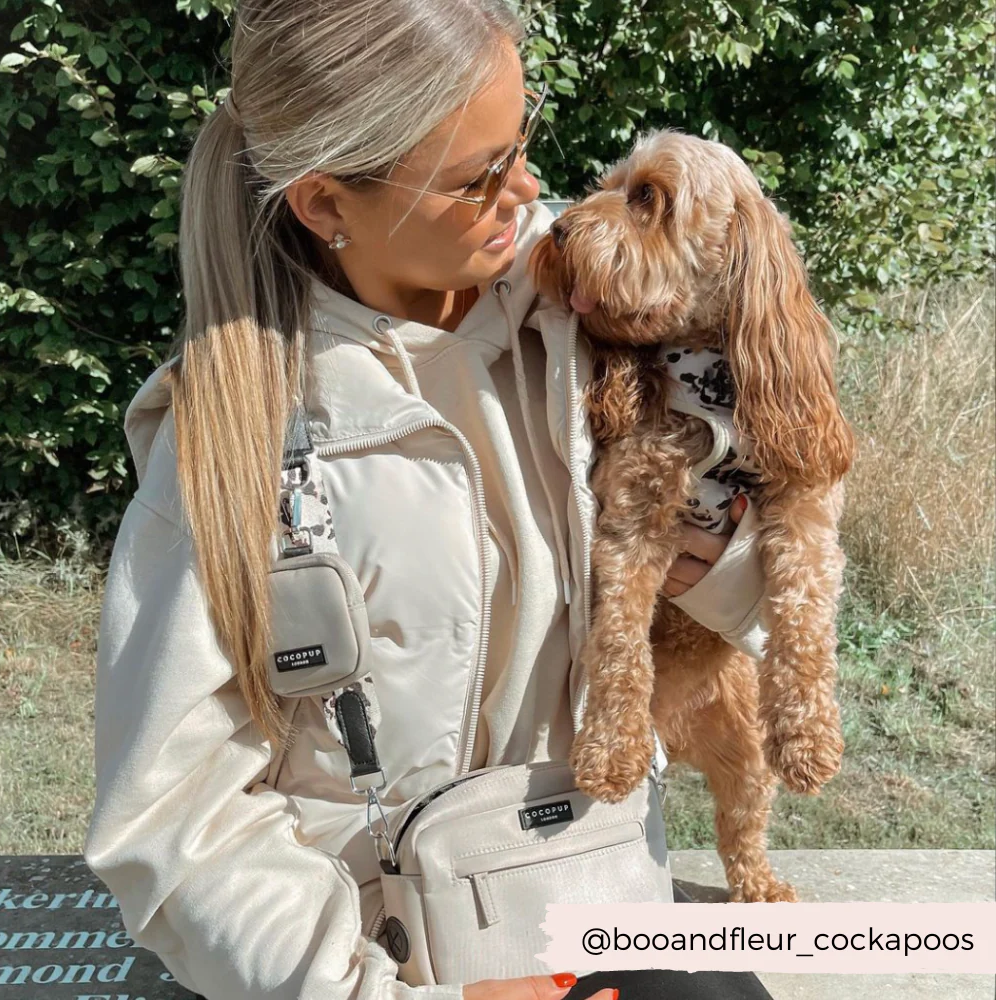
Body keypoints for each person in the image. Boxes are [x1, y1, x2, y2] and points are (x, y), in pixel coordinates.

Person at [83, 2, 774, 998]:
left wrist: (723, 553)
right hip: (378, 962)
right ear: (327, 206)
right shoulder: (228, 434)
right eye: (475, 179)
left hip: (608, 908)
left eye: (521, 142)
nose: (528, 190)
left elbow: (771, 556)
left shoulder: (601, 309)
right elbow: (177, 820)